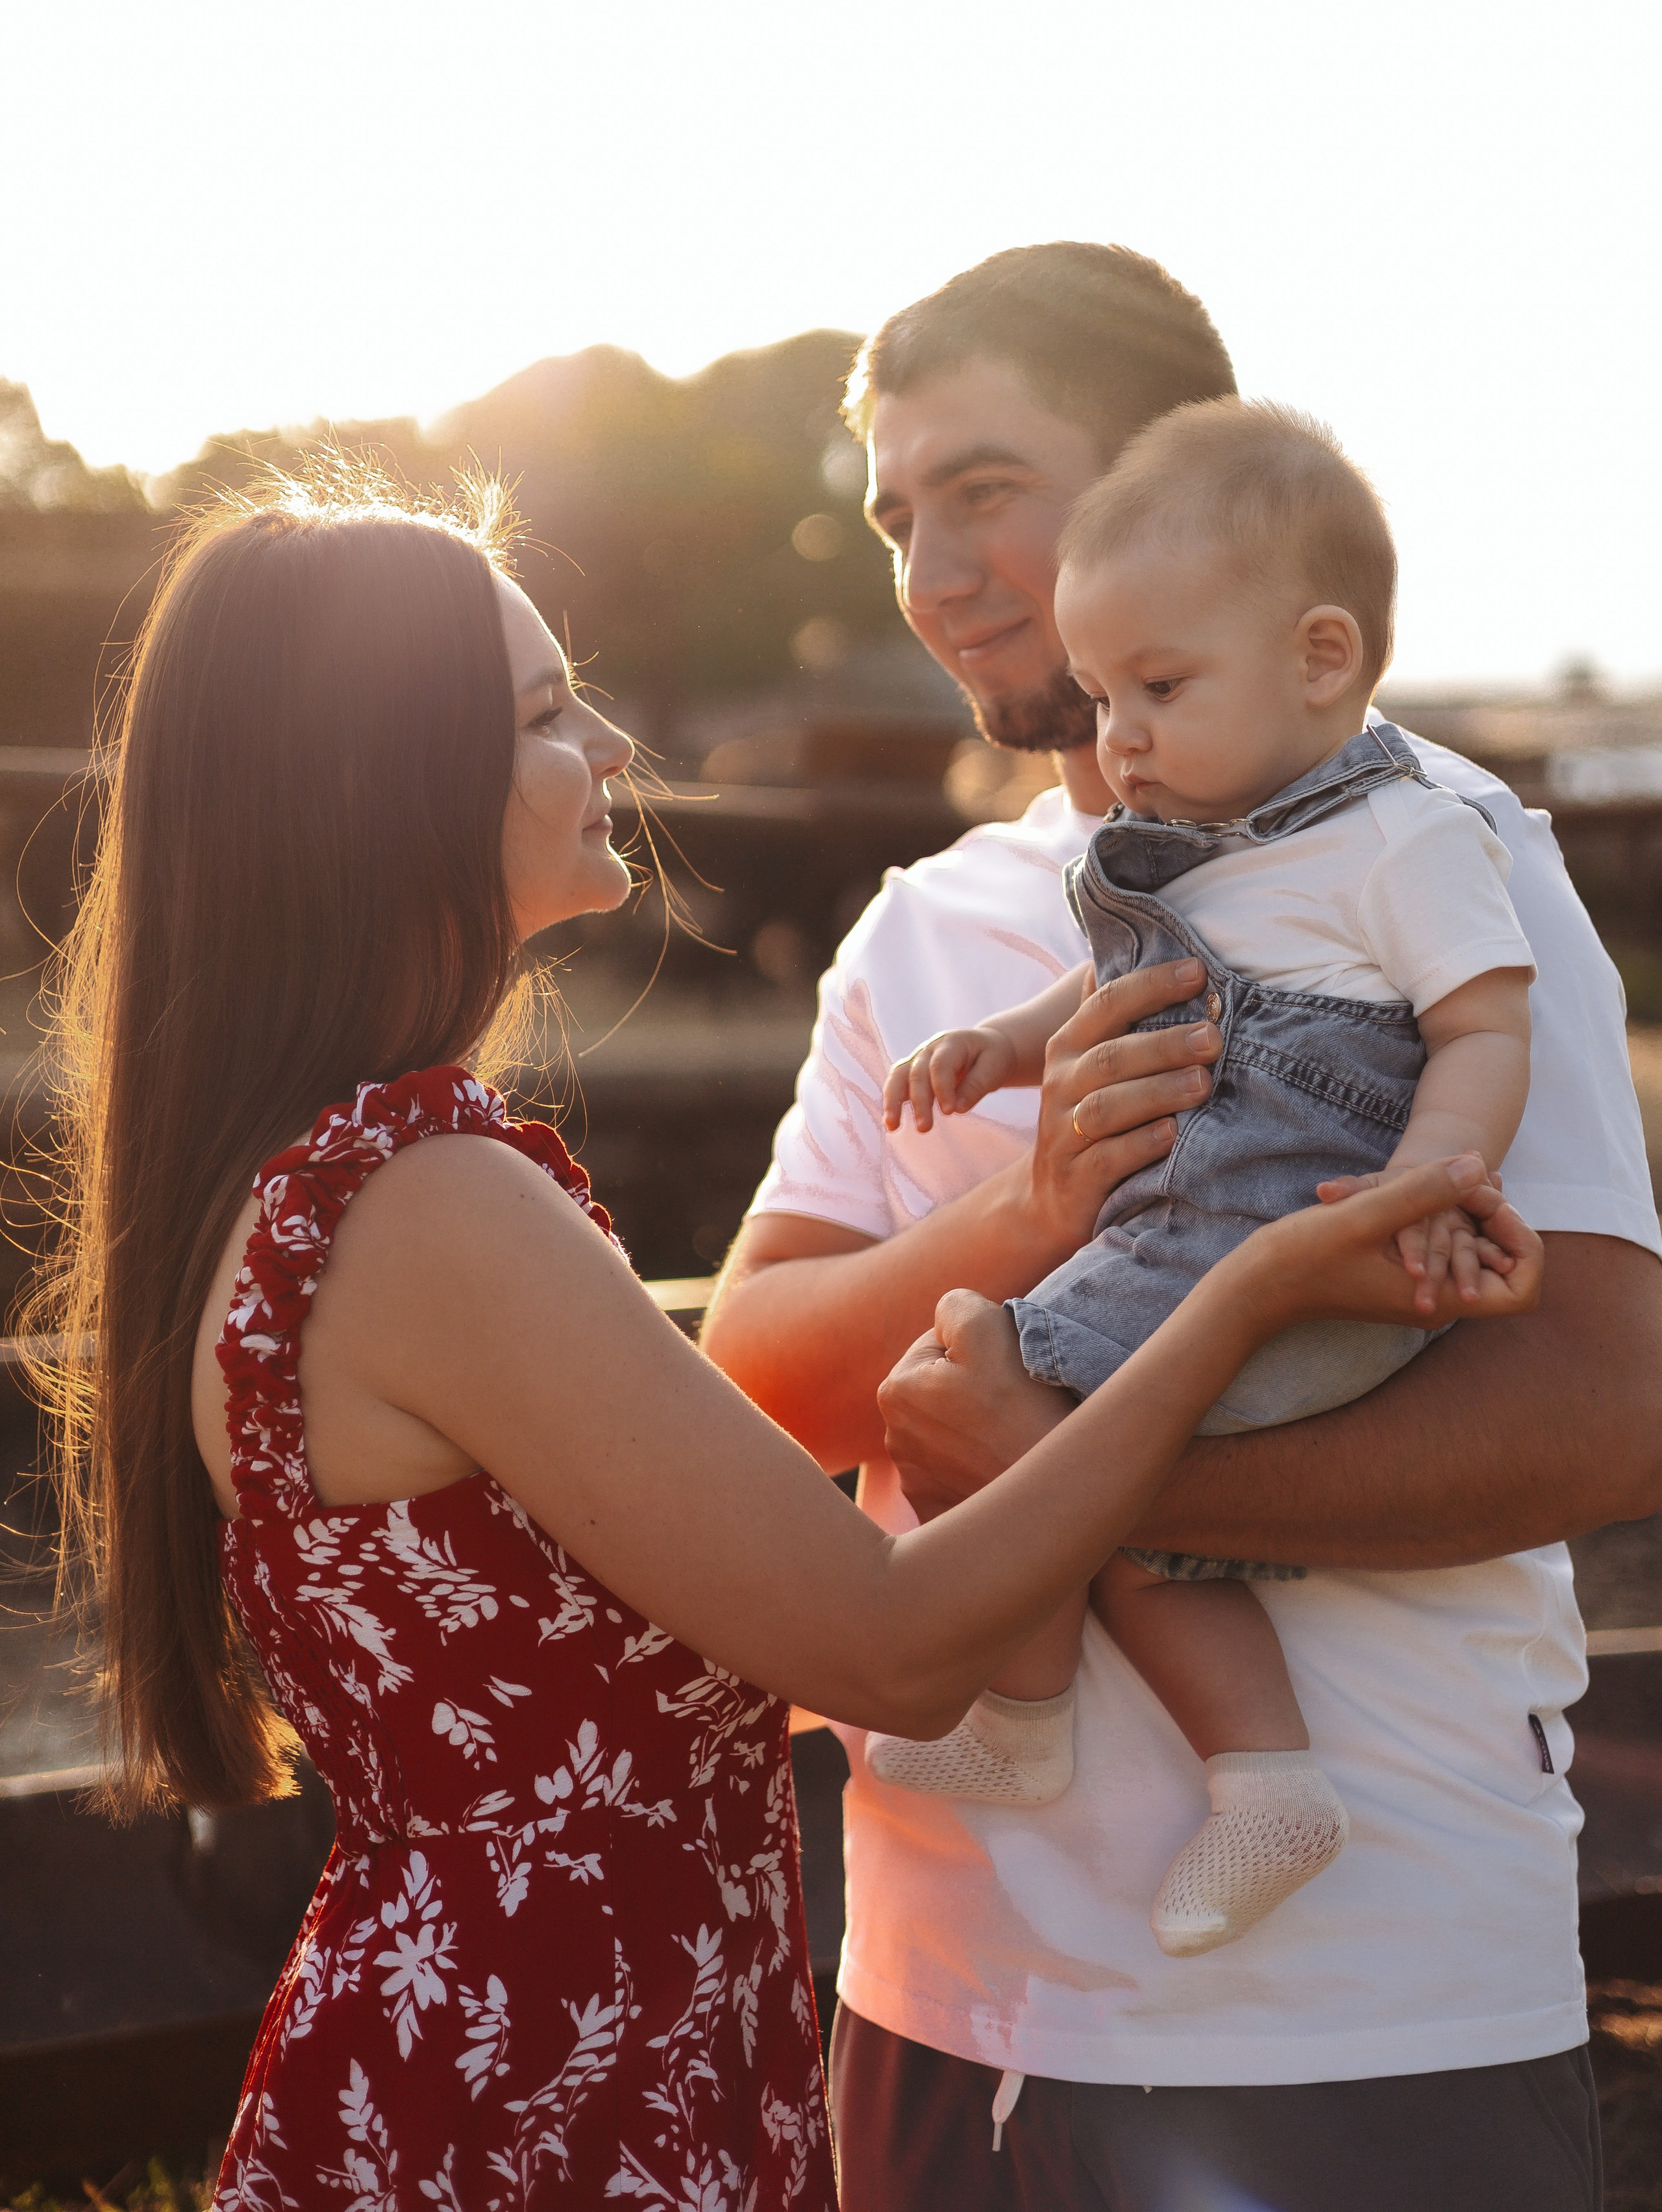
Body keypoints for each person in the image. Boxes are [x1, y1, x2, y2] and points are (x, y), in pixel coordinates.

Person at [29, 460, 1500, 2208]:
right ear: (385, 784)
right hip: (557, 2100)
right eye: (545, 711)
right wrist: (1253, 1287)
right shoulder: (430, 1203)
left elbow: (622, 1650)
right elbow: (888, 1648)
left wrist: (1035, 1221)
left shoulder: (305, 1185)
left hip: (490, 2060)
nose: (610, 754)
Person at [700, 242, 1662, 2211]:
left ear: (1172, 470)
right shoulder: (922, 932)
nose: (936, 565)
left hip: (1368, 2008)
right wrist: (1034, 1215)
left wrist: (1055, 1478)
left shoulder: (1445, 848)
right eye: (898, 515)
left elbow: (1600, 1411)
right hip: (942, 1994)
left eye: (985, 488)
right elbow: (757, 1389)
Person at [865, 399, 1535, 1965]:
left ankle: (1051, 1714)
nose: (1121, 737)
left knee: (1002, 1396)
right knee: (1099, 1485)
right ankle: (1232, 1772)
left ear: (1318, 659)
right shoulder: (1197, 850)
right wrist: (1003, 1044)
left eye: (1158, 688)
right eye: (1102, 696)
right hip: (1198, 1238)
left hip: (1305, 1240)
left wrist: (1430, 1189)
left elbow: (1481, 1029)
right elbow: (1129, 995)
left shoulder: (1404, 838)